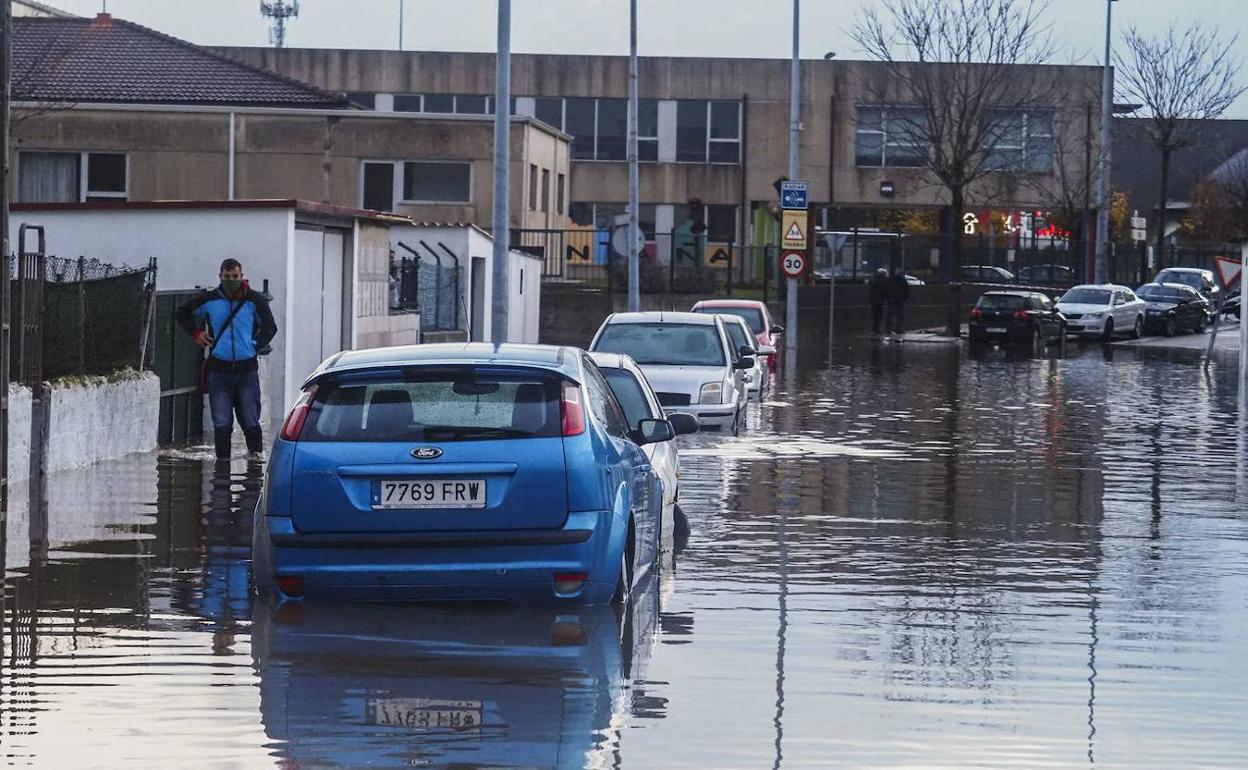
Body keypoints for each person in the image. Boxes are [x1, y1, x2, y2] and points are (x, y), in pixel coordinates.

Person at [177, 258, 278, 460]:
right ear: (220, 276)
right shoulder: (210, 300)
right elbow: (182, 312)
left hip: (246, 370)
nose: (231, 280)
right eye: (227, 276)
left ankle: (255, 466)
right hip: (219, 370)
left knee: (250, 421)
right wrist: (196, 333)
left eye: (235, 276)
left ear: (242, 276)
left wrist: (252, 345)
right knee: (221, 423)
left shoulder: (254, 300)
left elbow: (270, 327)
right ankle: (222, 471)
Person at [887, 270, 911, 334]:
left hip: (894, 300)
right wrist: (904, 298)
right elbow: (907, 290)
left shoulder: (892, 280)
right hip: (899, 300)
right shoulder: (902, 281)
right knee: (900, 316)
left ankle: (891, 329)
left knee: (892, 315)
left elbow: (889, 290)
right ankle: (899, 329)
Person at [869, 268, 889, 335]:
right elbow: (884, 292)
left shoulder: (874, 281)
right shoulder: (883, 282)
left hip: (874, 301)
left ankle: (874, 329)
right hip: (880, 302)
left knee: (875, 316)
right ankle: (877, 329)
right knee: (879, 316)